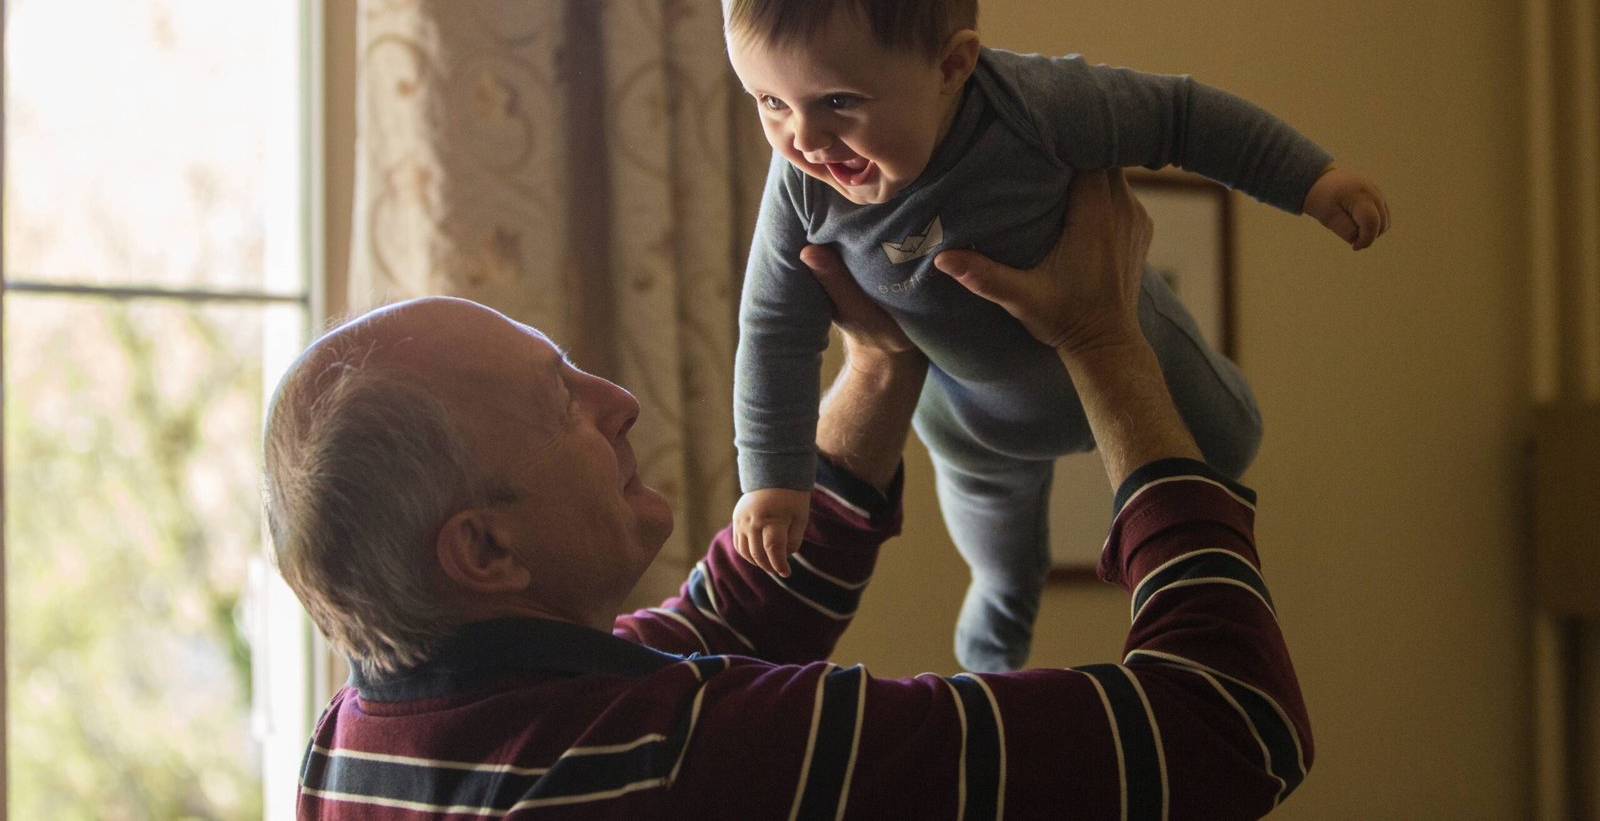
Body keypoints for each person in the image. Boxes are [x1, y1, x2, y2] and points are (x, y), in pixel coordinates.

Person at [267, 169, 1311, 819]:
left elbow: (730, 618)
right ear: (485, 551)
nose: (618, 400)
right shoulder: (677, 759)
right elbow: (1226, 728)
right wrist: (1105, 341)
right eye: (561, 403)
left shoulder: (359, 737)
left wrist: (876, 362)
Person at [722, 0, 1391, 672]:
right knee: (1003, 567)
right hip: (975, 422)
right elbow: (774, 328)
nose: (803, 139)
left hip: (1129, 342)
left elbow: (1182, 117)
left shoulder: (1035, 108)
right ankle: (992, 667)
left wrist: (1313, 180)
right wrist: (772, 478)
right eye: (770, 102)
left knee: (1231, 444)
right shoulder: (803, 187)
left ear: (951, 65)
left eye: (839, 101)